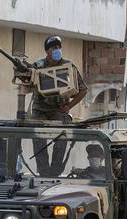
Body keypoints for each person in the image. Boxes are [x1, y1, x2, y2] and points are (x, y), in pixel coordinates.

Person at [32, 35, 88, 176]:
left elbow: (83, 89)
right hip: (40, 110)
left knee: (61, 140)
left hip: (59, 110)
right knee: (38, 140)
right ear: (47, 51)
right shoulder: (38, 66)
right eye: (54, 47)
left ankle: (55, 173)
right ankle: (44, 173)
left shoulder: (68, 66)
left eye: (58, 47)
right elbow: (26, 80)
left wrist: (69, 106)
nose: (57, 50)